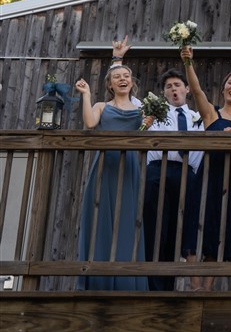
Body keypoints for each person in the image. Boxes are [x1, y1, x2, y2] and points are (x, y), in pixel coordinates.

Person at [179, 46, 231, 292]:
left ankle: (208, 287)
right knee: (197, 225)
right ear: (224, 88)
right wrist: (187, 62)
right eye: (230, 83)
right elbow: (196, 89)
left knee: (221, 228)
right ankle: (195, 285)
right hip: (207, 175)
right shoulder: (211, 114)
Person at [75, 53, 153, 291]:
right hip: (104, 166)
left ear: (132, 82)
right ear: (110, 84)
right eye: (117, 76)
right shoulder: (101, 106)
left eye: (126, 76)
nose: (122, 79)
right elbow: (90, 124)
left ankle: (127, 281)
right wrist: (86, 95)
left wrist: (146, 125)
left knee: (128, 220)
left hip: (128, 167)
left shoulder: (142, 110)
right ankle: (97, 279)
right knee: (99, 218)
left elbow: (142, 140)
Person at [143, 64, 205, 291]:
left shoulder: (198, 117)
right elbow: (139, 135)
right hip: (158, 170)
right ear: (164, 93)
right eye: (169, 87)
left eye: (177, 85)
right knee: (157, 226)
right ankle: (155, 285)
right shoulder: (154, 115)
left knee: (185, 226)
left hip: (187, 172)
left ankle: (180, 282)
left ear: (187, 89)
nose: (174, 90)